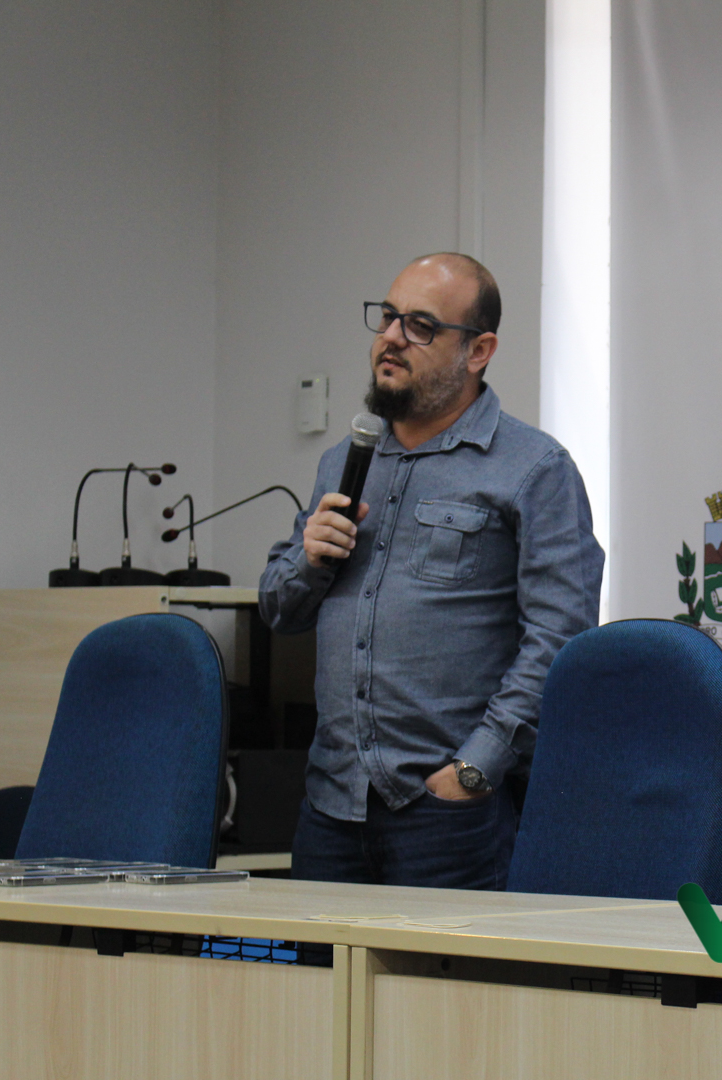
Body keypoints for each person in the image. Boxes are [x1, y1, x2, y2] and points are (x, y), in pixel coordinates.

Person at [259, 253, 604, 889]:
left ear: (479, 351)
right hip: (331, 805)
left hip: (448, 815)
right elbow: (279, 609)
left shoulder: (534, 469)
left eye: (420, 326)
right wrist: (309, 561)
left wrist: (474, 770)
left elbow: (561, 638)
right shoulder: (344, 460)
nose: (391, 338)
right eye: (388, 317)